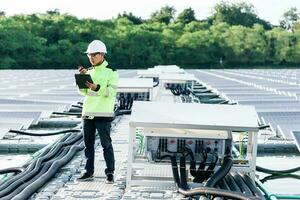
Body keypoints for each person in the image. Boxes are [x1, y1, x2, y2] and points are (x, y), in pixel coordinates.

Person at [77, 40, 119, 184]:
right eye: (89, 55)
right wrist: (82, 78)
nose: (91, 58)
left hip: (103, 114)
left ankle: (110, 172)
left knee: (105, 144)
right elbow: (83, 92)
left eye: (93, 55)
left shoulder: (111, 72)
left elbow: (111, 92)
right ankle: (88, 171)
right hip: (88, 112)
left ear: (101, 55)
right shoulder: (88, 71)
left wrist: (96, 88)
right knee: (88, 145)